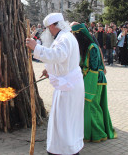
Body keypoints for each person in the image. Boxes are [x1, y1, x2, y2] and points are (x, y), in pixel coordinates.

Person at [26, 13, 84, 155]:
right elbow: (62, 62)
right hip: (70, 84)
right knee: (68, 121)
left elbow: (57, 55)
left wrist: (36, 48)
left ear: (52, 25)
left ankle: (64, 150)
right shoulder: (66, 36)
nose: (47, 31)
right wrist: (50, 71)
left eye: (47, 28)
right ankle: (69, 147)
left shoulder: (64, 38)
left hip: (68, 87)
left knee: (63, 123)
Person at [71, 22, 117, 143]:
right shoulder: (82, 47)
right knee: (86, 107)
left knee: (93, 106)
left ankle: (98, 133)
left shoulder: (92, 47)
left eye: (75, 35)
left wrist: (86, 83)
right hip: (86, 79)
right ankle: (87, 132)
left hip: (95, 80)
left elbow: (94, 68)